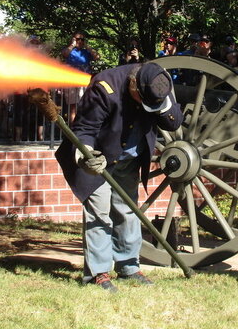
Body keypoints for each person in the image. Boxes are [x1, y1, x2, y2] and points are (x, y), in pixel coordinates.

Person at [55, 62, 182, 293]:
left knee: (128, 211)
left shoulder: (159, 81)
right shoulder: (105, 87)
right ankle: (98, 273)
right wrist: (86, 157)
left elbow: (174, 121)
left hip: (130, 159)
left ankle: (129, 267)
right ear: (133, 85)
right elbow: (84, 128)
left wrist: (163, 107)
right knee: (99, 213)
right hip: (100, 160)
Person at [62, 31, 100, 123]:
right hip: (71, 81)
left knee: (85, 105)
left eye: (82, 39)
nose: (80, 41)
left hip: (84, 82)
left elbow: (97, 57)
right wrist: (72, 44)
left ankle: (83, 129)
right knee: (73, 108)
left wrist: (87, 46)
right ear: (73, 39)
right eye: (78, 39)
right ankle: (73, 132)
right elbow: (64, 54)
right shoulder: (69, 50)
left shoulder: (86, 52)